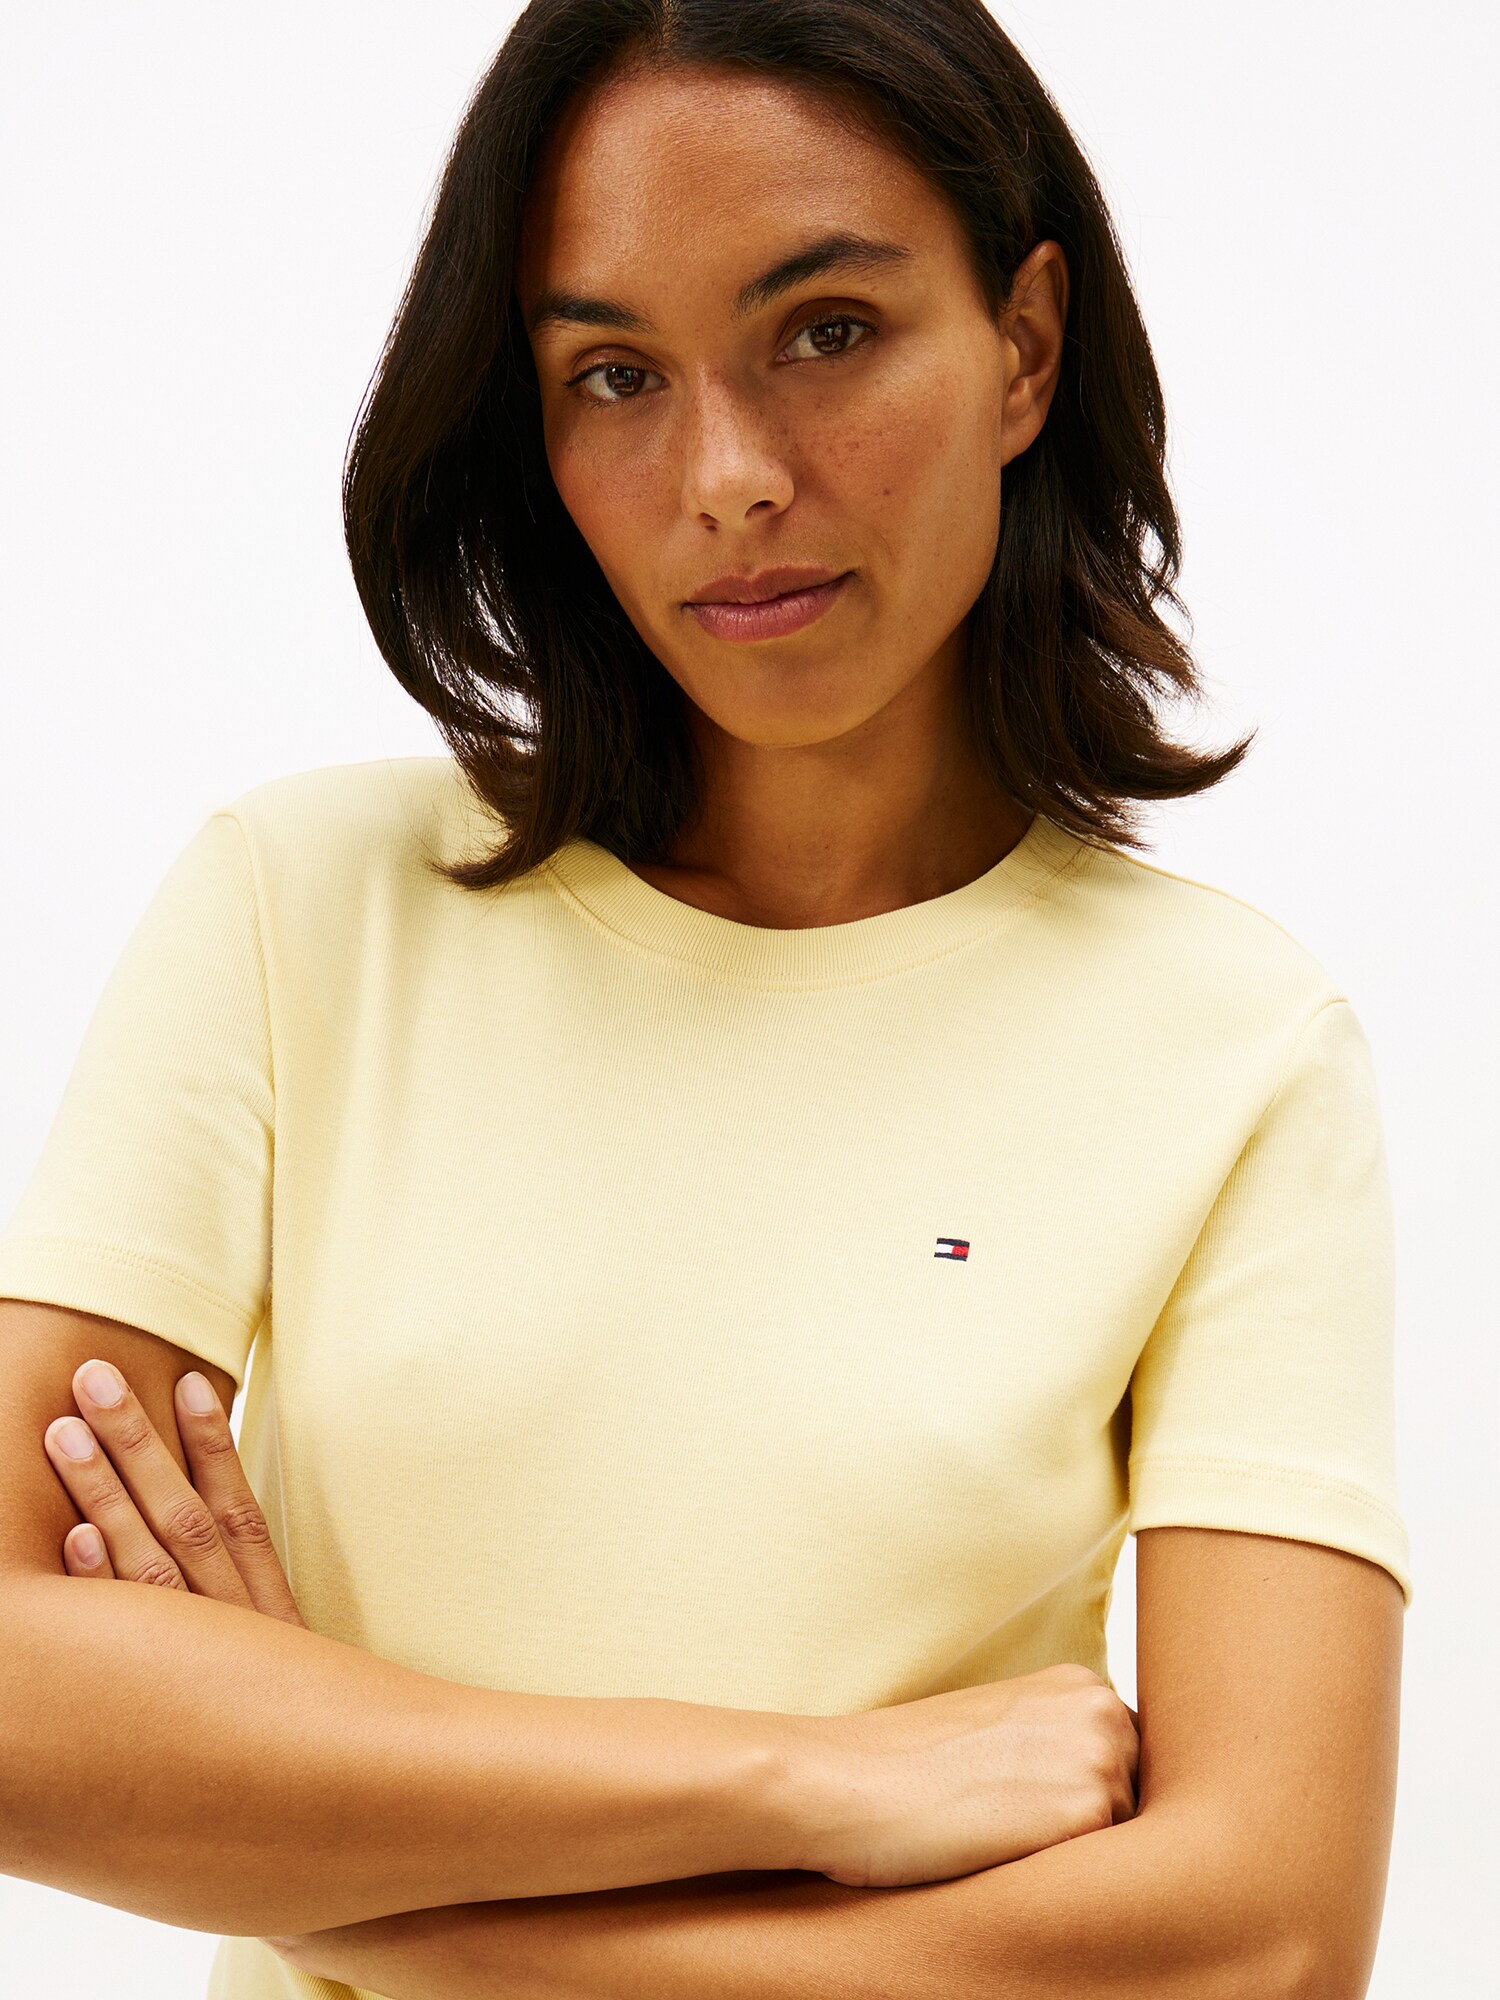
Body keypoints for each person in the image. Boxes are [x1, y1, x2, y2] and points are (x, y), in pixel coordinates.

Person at [0, 2, 1409, 1995]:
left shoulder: (1234, 1045)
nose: (730, 476)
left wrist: (329, 1871)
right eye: (614, 374)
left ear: (1023, 346)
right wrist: (804, 1783)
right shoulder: (302, 906)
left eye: (827, 330)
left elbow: (1261, 1936)